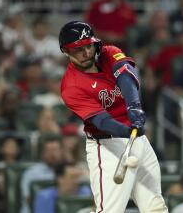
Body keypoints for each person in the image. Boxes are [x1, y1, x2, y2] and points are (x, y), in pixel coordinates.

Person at [59, 21, 168, 212]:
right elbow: (100, 121)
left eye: (88, 46)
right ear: (66, 52)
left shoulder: (109, 52)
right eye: (78, 50)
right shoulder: (71, 86)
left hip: (137, 140)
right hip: (107, 146)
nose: (86, 53)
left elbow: (127, 75)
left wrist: (134, 107)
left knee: (155, 207)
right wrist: (126, 130)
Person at [20, 136, 63, 213]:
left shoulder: (67, 173)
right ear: (43, 154)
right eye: (49, 151)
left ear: (61, 152)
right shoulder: (31, 173)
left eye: (55, 150)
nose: (52, 154)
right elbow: (28, 200)